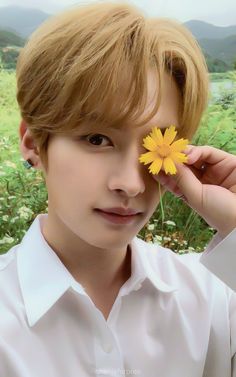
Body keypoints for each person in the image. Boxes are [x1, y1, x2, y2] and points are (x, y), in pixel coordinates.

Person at [0, 1, 235, 376]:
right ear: (32, 143)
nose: (130, 184)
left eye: (154, 145)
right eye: (96, 139)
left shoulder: (214, 298)